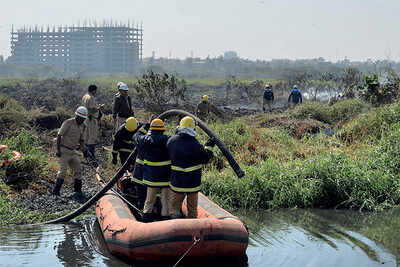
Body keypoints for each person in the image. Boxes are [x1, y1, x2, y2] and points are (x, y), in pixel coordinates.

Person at [167, 116, 215, 219]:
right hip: (192, 183)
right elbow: (205, 159)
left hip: (177, 182)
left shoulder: (171, 141)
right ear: (192, 129)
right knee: (192, 209)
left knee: (174, 208)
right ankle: (193, 229)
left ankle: (175, 228)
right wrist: (209, 147)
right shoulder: (196, 144)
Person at [136, 119, 171, 222]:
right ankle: (165, 218)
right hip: (165, 177)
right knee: (166, 200)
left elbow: (136, 136)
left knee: (149, 199)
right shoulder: (168, 139)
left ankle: (146, 218)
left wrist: (146, 125)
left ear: (151, 130)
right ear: (162, 130)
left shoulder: (145, 139)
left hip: (151, 177)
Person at [53, 106, 88, 203]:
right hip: (64, 149)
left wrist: (83, 148)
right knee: (63, 171)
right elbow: (59, 135)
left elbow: (81, 140)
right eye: (81, 118)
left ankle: (78, 191)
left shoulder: (83, 126)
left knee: (78, 170)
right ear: (77, 116)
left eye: (84, 119)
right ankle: (56, 192)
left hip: (73, 151)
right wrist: (58, 150)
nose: (82, 120)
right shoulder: (68, 122)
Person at [111, 116, 149, 207]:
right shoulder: (120, 132)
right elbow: (115, 147)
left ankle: (134, 185)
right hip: (124, 151)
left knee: (136, 168)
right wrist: (114, 158)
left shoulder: (141, 127)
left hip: (135, 151)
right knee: (125, 167)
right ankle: (125, 184)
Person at [82, 84, 101, 160]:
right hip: (91, 119)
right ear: (93, 90)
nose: (96, 92)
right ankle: (91, 156)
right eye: (95, 90)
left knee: (86, 137)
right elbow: (92, 109)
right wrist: (99, 108)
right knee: (92, 137)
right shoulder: (91, 98)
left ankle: (86, 155)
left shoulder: (85, 96)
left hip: (85, 119)